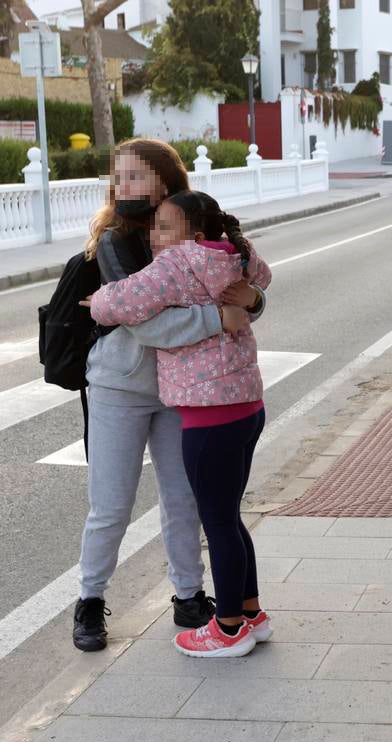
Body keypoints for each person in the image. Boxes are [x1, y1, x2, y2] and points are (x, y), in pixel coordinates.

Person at [73, 139, 266, 653]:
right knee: (111, 504)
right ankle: (90, 599)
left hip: (185, 391)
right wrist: (220, 319)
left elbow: (240, 279)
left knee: (185, 501)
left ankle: (188, 594)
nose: (124, 187)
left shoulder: (192, 222)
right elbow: (145, 322)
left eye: (136, 176)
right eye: (119, 177)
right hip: (121, 385)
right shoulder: (117, 242)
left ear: (165, 180)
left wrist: (252, 300)